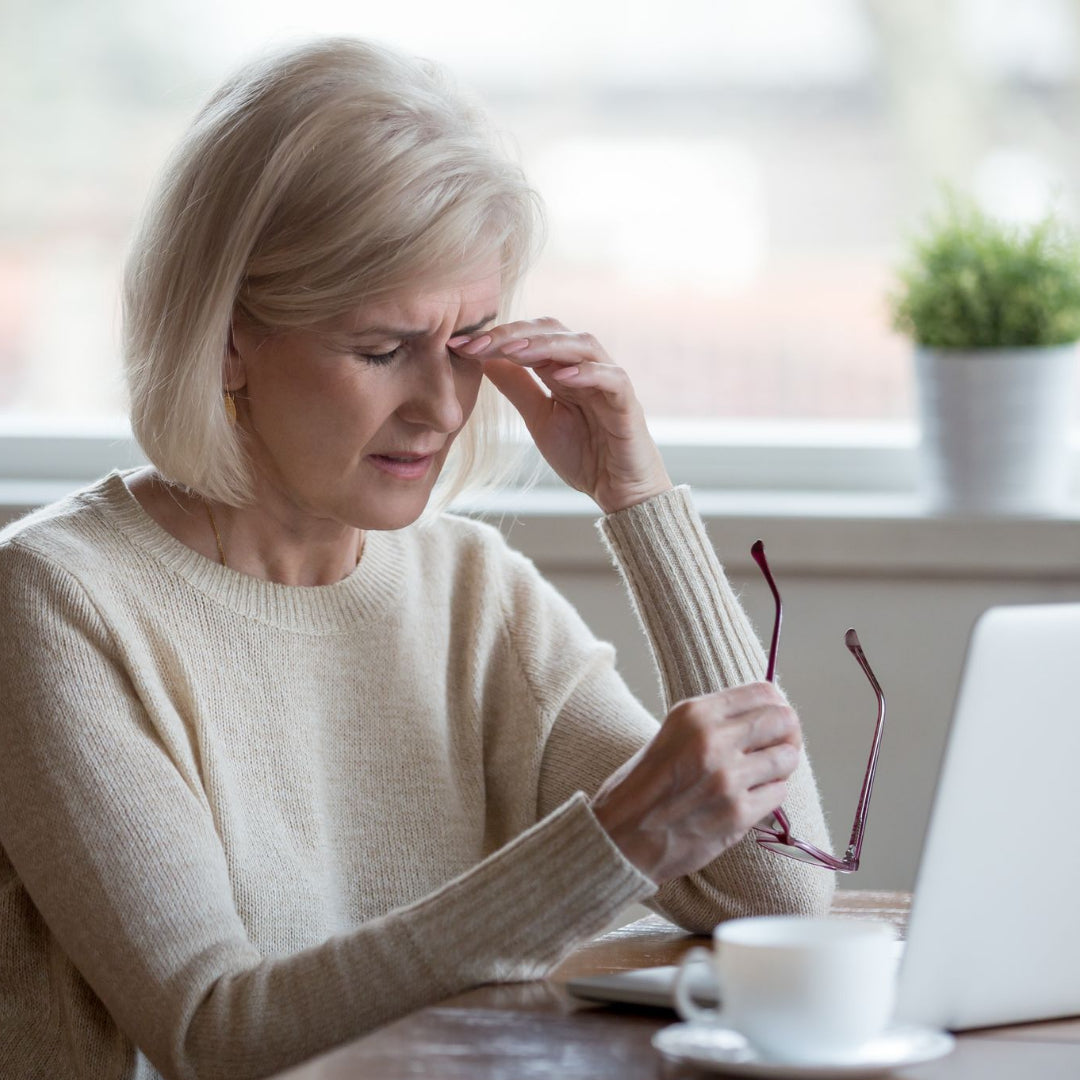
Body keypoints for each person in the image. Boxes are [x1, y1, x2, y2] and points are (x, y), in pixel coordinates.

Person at [0, 37, 833, 1080]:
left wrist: (639, 497)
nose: (441, 409)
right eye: (382, 350)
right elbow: (215, 1035)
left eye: (468, 343)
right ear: (225, 339)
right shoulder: (59, 601)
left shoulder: (474, 591)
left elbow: (776, 891)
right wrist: (612, 841)